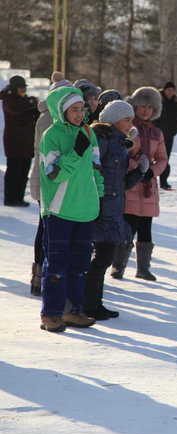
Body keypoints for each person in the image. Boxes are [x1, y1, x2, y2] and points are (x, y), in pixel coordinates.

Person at [38, 85, 104, 332]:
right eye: (73, 110)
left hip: (85, 210)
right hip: (59, 211)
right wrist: (76, 152)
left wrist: (100, 195)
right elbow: (52, 174)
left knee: (80, 264)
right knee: (57, 264)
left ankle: (73, 310)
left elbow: (96, 167)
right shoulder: (52, 135)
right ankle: (51, 314)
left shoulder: (88, 131)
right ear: (61, 111)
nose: (79, 114)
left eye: (81, 109)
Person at [83, 101, 147, 320]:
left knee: (104, 257)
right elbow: (91, 173)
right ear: (113, 119)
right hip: (102, 208)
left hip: (113, 208)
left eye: (132, 120)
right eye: (127, 120)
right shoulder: (102, 140)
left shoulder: (119, 143)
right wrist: (97, 202)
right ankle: (88, 305)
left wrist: (140, 172)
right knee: (102, 257)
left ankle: (94, 303)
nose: (131, 125)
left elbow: (121, 183)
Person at [111, 86, 167, 281]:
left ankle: (143, 268)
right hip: (130, 184)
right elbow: (122, 154)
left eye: (150, 108)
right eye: (142, 106)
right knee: (128, 227)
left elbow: (162, 159)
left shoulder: (157, 133)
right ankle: (118, 266)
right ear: (134, 106)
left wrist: (151, 171)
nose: (146, 111)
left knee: (146, 228)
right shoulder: (128, 129)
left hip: (148, 186)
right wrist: (137, 167)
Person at [28, 72, 74, 296]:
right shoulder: (49, 118)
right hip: (47, 180)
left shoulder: (50, 114)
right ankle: (40, 278)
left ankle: (40, 278)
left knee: (45, 228)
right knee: (46, 230)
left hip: (46, 179)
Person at [1, 75, 39, 207]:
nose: (23, 90)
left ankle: (19, 198)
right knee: (14, 172)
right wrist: (31, 102)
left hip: (27, 143)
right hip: (14, 142)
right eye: (21, 88)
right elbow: (16, 109)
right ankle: (10, 199)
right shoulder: (9, 99)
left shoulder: (23, 100)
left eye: (24, 88)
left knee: (23, 172)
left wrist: (33, 104)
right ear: (14, 88)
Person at [155, 81, 177, 189]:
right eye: (168, 89)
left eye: (172, 90)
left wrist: (175, 130)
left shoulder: (176, 104)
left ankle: (164, 181)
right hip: (156, 135)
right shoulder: (158, 102)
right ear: (164, 90)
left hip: (168, 136)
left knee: (165, 159)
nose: (170, 92)